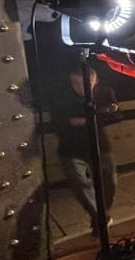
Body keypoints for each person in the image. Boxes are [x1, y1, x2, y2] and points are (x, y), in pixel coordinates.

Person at [51, 64, 120, 236]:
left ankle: (99, 220)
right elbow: (55, 122)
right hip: (71, 147)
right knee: (81, 184)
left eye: (86, 84)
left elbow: (116, 115)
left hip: (100, 144)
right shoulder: (61, 97)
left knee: (110, 183)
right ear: (71, 82)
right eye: (76, 84)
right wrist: (69, 122)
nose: (81, 88)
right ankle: (101, 218)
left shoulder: (105, 93)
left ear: (95, 81)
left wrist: (91, 119)